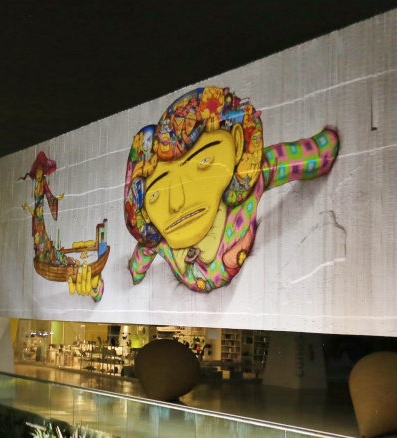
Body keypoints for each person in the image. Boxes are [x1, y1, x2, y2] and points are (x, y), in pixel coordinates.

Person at [123, 86, 339, 292]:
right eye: (156, 194)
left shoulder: (247, 186)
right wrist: (135, 271)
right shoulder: (160, 240)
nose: (177, 202)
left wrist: (320, 154)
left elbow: (280, 161)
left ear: (236, 143)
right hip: (193, 276)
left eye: (205, 161)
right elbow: (145, 248)